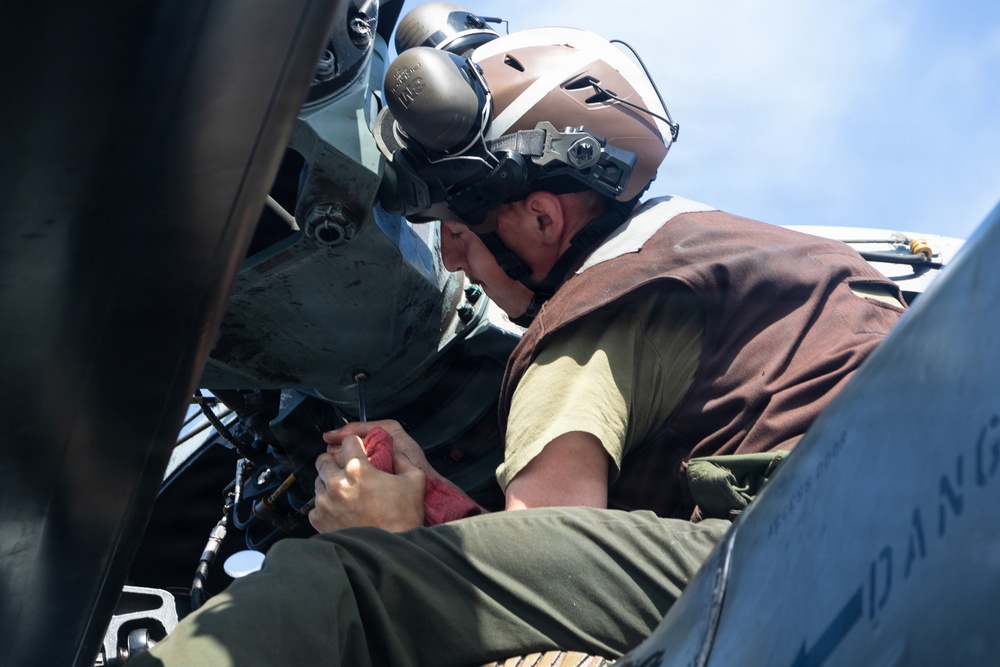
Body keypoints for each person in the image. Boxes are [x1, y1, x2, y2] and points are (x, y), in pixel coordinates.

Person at [134, 12, 905, 667]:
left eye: (460, 229)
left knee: (334, 587)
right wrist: (435, 502)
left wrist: (393, 532)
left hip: (786, 557)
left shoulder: (595, 308)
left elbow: (542, 561)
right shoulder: (736, 251)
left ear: (541, 219)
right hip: (861, 532)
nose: (452, 257)